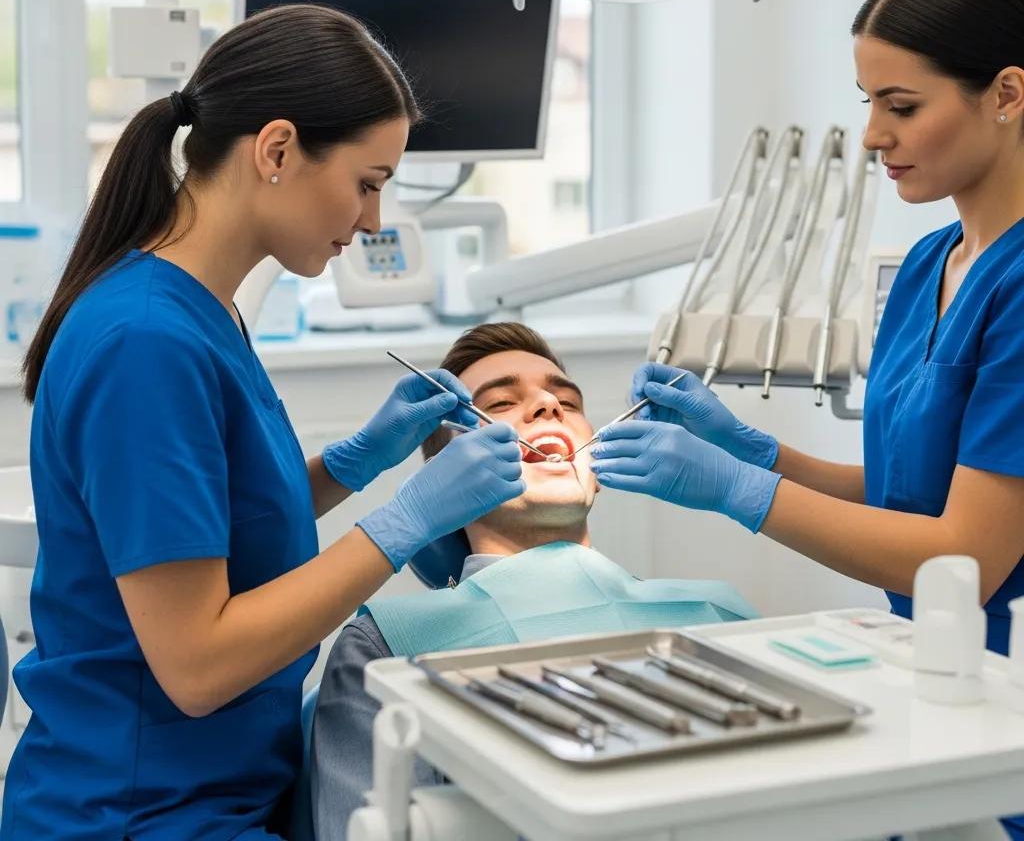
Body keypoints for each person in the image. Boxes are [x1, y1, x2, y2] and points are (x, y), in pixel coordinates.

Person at [1, 4, 526, 841]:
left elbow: (223, 530)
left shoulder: (202, 315)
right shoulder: (145, 342)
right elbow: (197, 667)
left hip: (230, 787)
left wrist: (357, 464)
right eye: (368, 183)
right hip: (139, 815)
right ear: (277, 150)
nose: (372, 223)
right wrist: (402, 524)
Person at [590, 0, 1024, 837]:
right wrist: (757, 454)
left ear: (1008, 96)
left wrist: (745, 495)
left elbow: (967, 558)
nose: (872, 136)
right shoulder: (928, 267)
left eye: (902, 107)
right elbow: (917, 500)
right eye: (869, 104)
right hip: (926, 669)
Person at [310, 322, 756, 839]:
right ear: (449, 473)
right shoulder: (387, 651)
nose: (549, 404)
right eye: (498, 404)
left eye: (566, 399)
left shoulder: (717, 612)